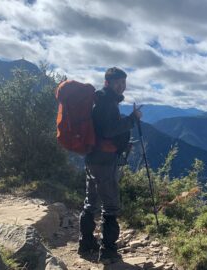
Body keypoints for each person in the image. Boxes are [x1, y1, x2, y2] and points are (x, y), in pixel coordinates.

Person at [77, 67, 142, 264]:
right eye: (118, 83)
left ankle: (86, 243)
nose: (122, 87)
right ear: (108, 83)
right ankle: (108, 252)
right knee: (111, 206)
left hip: (92, 158)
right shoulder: (106, 102)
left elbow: (104, 129)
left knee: (91, 202)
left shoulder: (103, 100)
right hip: (104, 160)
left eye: (124, 83)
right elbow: (108, 130)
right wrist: (132, 119)